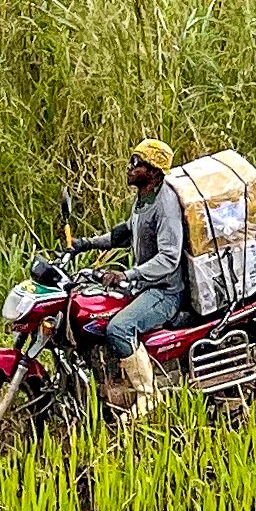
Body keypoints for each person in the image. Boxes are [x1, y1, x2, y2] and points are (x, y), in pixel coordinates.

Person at [91, 139, 187, 407]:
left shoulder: (166, 204)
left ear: (154, 171)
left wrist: (127, 275)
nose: (129, 167)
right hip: (144, 286)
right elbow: (128, 231)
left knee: (120, 328)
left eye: (137, 163)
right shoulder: (144, 197)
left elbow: (169, 258)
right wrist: (85, 244)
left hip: (164, 291)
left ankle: (148, 397)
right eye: (131, 161)